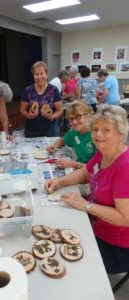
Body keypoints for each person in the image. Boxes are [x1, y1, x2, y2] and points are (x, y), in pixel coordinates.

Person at [45, 104, 129, 274]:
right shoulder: (103, 152)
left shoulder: (125, 167)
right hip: (95, 224)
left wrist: (85, 206)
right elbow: (85, 172)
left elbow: (124, 218)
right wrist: (59, 182)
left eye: (106, 130)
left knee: (62, 261)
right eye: (96, 129)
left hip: (116, 245)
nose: (98, 135)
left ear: (121, 134)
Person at [46, 101, 97, 170]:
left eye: (78, 117)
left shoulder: (97, 135)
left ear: (87, 116)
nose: (74, 122)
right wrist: (54, 148)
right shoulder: (73, 131)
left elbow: (98, 168)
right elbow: (62, 141)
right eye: (71, 119)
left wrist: (74, 164)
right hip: (79, 170)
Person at [20, 61, 63, 137]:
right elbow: (22, 110)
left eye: (42, 73)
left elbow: (60, 110)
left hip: (51, 131)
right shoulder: (28, 90)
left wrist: (52, 116)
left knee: (51, 149)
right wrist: (28, 115)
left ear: (46, 75)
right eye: (36, 74)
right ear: (33, 76)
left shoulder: (53, 90)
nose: (39, 77)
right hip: (32, 131)